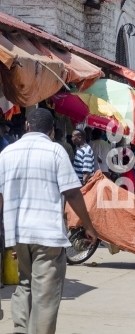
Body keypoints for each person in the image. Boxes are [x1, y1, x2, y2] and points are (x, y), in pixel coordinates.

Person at [0, 108, 98, 334]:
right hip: (47, 235)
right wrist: (89, 227)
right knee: (45, 294)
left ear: (26, 126)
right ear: (51, 131)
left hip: (18, 234)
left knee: (25, 285)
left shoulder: (6, 153)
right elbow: (72, 193)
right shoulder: (55, 151)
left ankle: (21, 330)